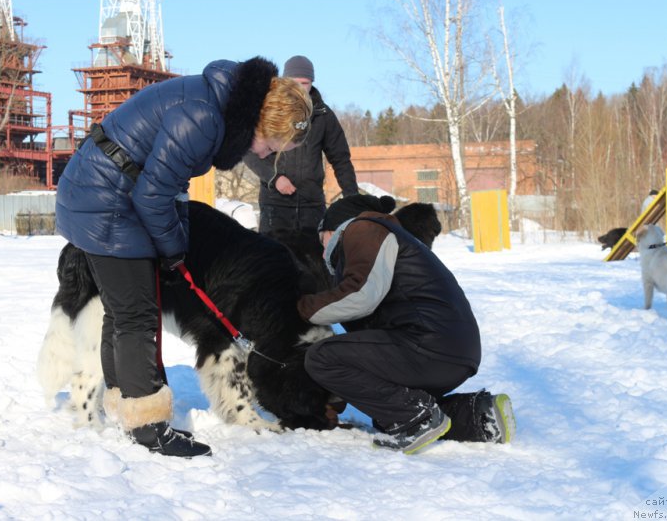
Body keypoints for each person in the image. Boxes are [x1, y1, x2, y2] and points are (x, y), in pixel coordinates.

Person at [55, 57, 313, 458]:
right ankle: (149, 427)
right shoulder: (205, 118)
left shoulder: (217, 107)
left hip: (109, 193)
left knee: (123, 310)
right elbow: (154, 195)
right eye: (273, 147)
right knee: (137, 313)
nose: (267, 155)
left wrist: (177, 242)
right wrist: (174, 251)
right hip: (102, 199)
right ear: (262, 127)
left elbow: (169, 191)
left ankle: (123, 402)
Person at [298, 194, 515, 454]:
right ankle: (479, 416)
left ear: (331, 229)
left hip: (425, 344)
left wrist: (300, 309)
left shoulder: (362, 228)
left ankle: (417, 419)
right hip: (454, 353)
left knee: (322, 357)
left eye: (321, 238)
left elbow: (360, 296)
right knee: (388, 414)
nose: (322, 250)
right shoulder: (394, 238)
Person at [244, 55, 359, 234]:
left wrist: (352, 198)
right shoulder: (270, 110)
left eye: (304, 83)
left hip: (312, 207)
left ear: (312, 82)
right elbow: (247, 150)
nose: (299, 88)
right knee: (274, 259)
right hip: (275, 205)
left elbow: (341, 159)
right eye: (294, 82)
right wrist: (274, 178)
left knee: (315, 260)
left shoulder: (323, 115)